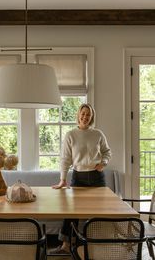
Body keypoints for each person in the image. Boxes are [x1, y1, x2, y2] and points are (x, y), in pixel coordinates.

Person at [50, 103, 112, 254]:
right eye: (83, 114)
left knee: (100, 212)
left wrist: (103, 163)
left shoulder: (98, 134)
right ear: (78, 114)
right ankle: (65, 246)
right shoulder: (70, 134)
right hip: (78, 177)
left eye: (88, 115)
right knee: (71, 211)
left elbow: (107, 152)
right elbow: (65, 159)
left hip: (97, 178)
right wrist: (62, 179)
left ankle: (99, 246)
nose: (85, 117)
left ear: (91, 117)